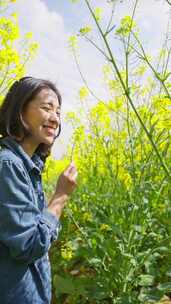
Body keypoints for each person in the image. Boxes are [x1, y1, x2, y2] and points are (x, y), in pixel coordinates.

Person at [0, 76, 77, 303]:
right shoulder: (8, 165)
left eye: (59, 112)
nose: (55, 118)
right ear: (20, 111)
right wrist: (61, 196)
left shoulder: (26, 165)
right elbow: (31, 245)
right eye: (47, 108)